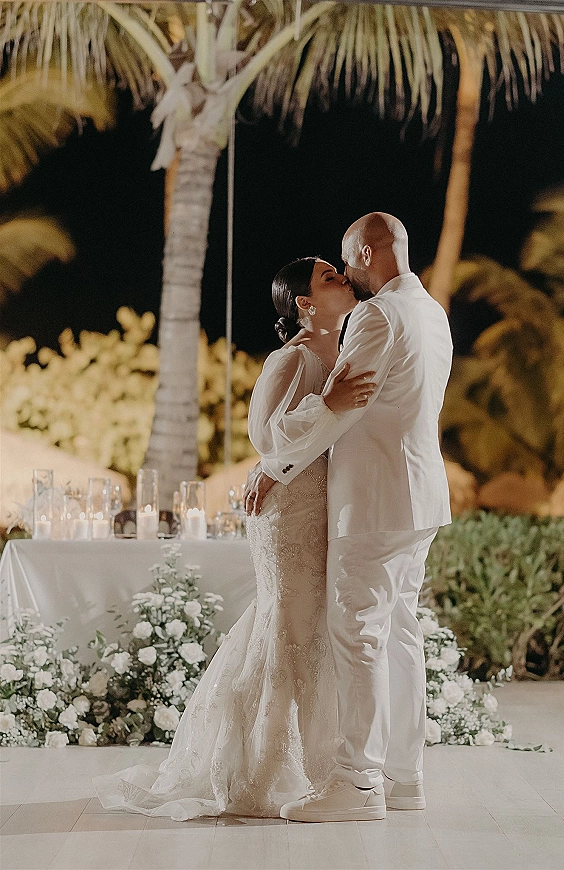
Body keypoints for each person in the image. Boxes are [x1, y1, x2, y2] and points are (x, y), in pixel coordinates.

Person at [93, 257, 371, 820]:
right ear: (305, 304)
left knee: (304, 628)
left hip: (319, 504)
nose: (343, 278)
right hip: (286, 509)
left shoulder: (341, 352)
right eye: (329, 278)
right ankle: (254, 773)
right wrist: (329, 405)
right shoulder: (290, 358)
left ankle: (313, 767)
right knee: (288, 625)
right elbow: (265, 436)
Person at [244, 213, 453, 822]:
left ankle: (358, 784)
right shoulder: (432, 312)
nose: (348, 275)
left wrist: (274, 465)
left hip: (375, 502)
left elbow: (342, 409)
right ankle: (405, 777)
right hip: (419, 498)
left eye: (347, 261)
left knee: (357, 636)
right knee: (402, 635)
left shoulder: (376, 316)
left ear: (366, 250)